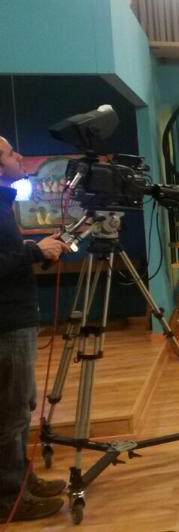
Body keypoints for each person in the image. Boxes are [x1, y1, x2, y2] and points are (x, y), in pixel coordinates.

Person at [1, 135, 72, 522]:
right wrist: (35, 251)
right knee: (10, 415)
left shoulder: (3, 202)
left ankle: (23, 482)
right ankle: (10, 500)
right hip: (7, 324)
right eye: (11, 152)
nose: (19, 156)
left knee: (21, 408)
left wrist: (34, 247)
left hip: (17, 320)